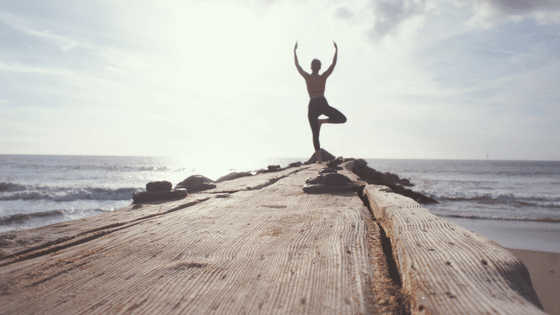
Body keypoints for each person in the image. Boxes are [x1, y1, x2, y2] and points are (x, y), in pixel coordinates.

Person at [294, 41, 346, 163]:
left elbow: (297, 66)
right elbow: (333, 65)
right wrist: (336, 51)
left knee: (315, 134)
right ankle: (322, 121)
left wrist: (294, 51)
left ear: (311, 67)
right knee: (342, 118)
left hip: (313, 104)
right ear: (320, 67)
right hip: (322, 103)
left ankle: (319, 160)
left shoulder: (308, 77)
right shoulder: (322, 77)